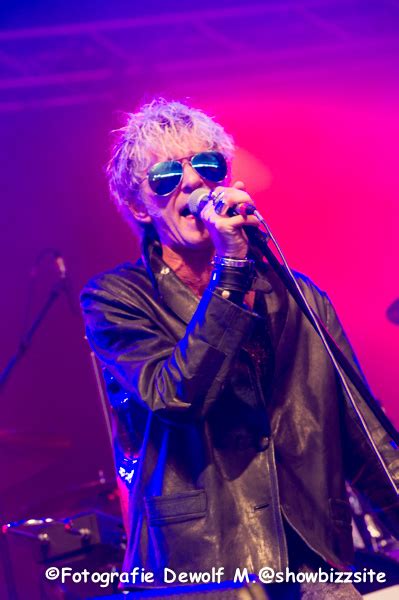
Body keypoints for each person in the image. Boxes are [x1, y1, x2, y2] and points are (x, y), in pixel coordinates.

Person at [80, 99, 399, 598]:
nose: (191, 182)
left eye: (206, 165)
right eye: (165, 176)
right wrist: (230, 270)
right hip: (201, 568)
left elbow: (367, 439)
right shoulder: (117, 299)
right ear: (140, 206)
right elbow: (177, 396)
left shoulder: (299, 296)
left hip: (313, 558)